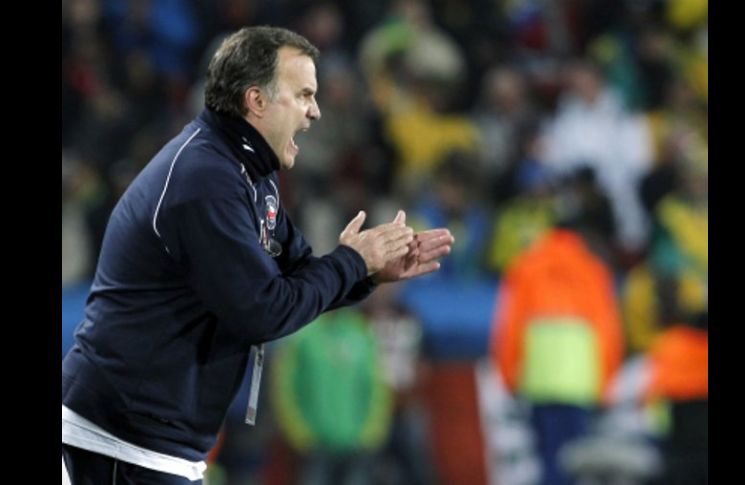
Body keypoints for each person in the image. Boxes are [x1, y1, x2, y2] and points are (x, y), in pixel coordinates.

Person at [62, 26, 454, 485]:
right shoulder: (205, 180)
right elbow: (262, 310)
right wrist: (352, 263)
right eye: (304, 94)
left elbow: (299, 277)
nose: (315, 111)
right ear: (257, 101)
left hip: (148, 442)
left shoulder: (247, 174)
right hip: (119, 444)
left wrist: (367, 273)